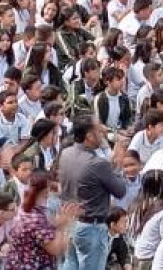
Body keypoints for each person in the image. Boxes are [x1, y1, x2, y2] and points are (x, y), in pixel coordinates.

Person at [59, 115, 128, 270]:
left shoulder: (66, 153)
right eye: (98, 129)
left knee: (70, 264)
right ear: (89, 136)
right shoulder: (98, 164)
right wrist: (117, 166)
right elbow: (120, 190)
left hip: (70, 222)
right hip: (92, 227)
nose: (102, 131)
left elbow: (93, 175)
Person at [9, 170, 79, 270]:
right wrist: (63, 225)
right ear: (46, 191)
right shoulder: (35, 218)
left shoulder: (28, 209)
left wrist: (59, 221)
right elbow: (56, 249)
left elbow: (44, 229)